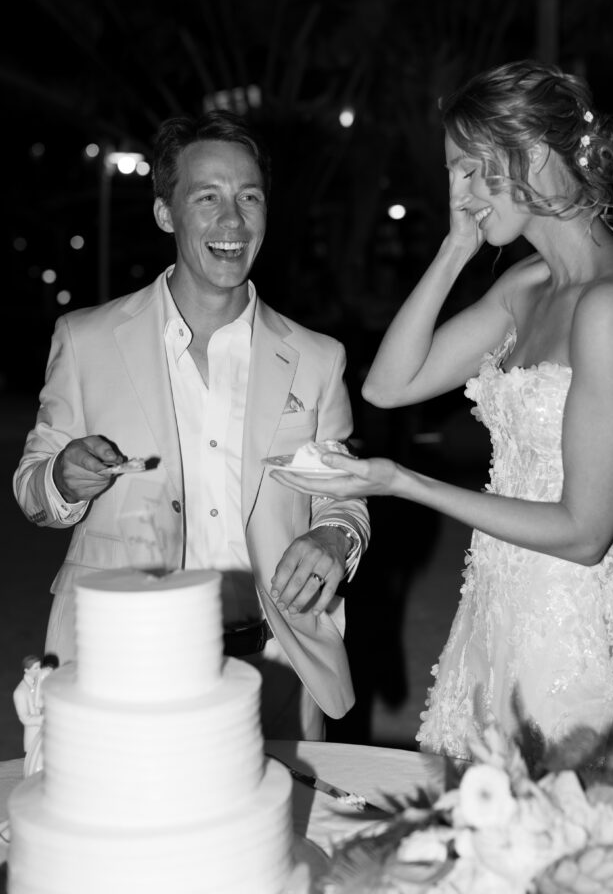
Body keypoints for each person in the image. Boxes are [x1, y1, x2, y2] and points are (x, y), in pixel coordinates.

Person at [272, 60, 613, 767]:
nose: (456, 193)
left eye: (468, 169)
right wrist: (455, 245)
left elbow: (584, 533)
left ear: (531, 156)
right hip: (494, 605)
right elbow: (390, 386)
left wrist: (402, 482)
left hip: (570, 632)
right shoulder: (528, 286)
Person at [13, 110, 369, 741]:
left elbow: (343, 498)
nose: (232, 221)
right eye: (207, 198)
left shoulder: (317, 358)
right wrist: (64, 479)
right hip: (123, 660)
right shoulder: (87, 339)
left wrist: (334, 542)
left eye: (248, 197)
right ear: (164, 213)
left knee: (277, 837)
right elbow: (34, 491)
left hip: (275, 665)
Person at [13, 655, 43, 773]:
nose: (40, 670)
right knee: (33, 766)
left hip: (44, 732)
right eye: (36, 668)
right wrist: (44, 719)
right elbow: (25, 718)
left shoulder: (39, 683)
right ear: (27, 670)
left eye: (40, 667)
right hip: (34, 734)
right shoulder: (20, 692)